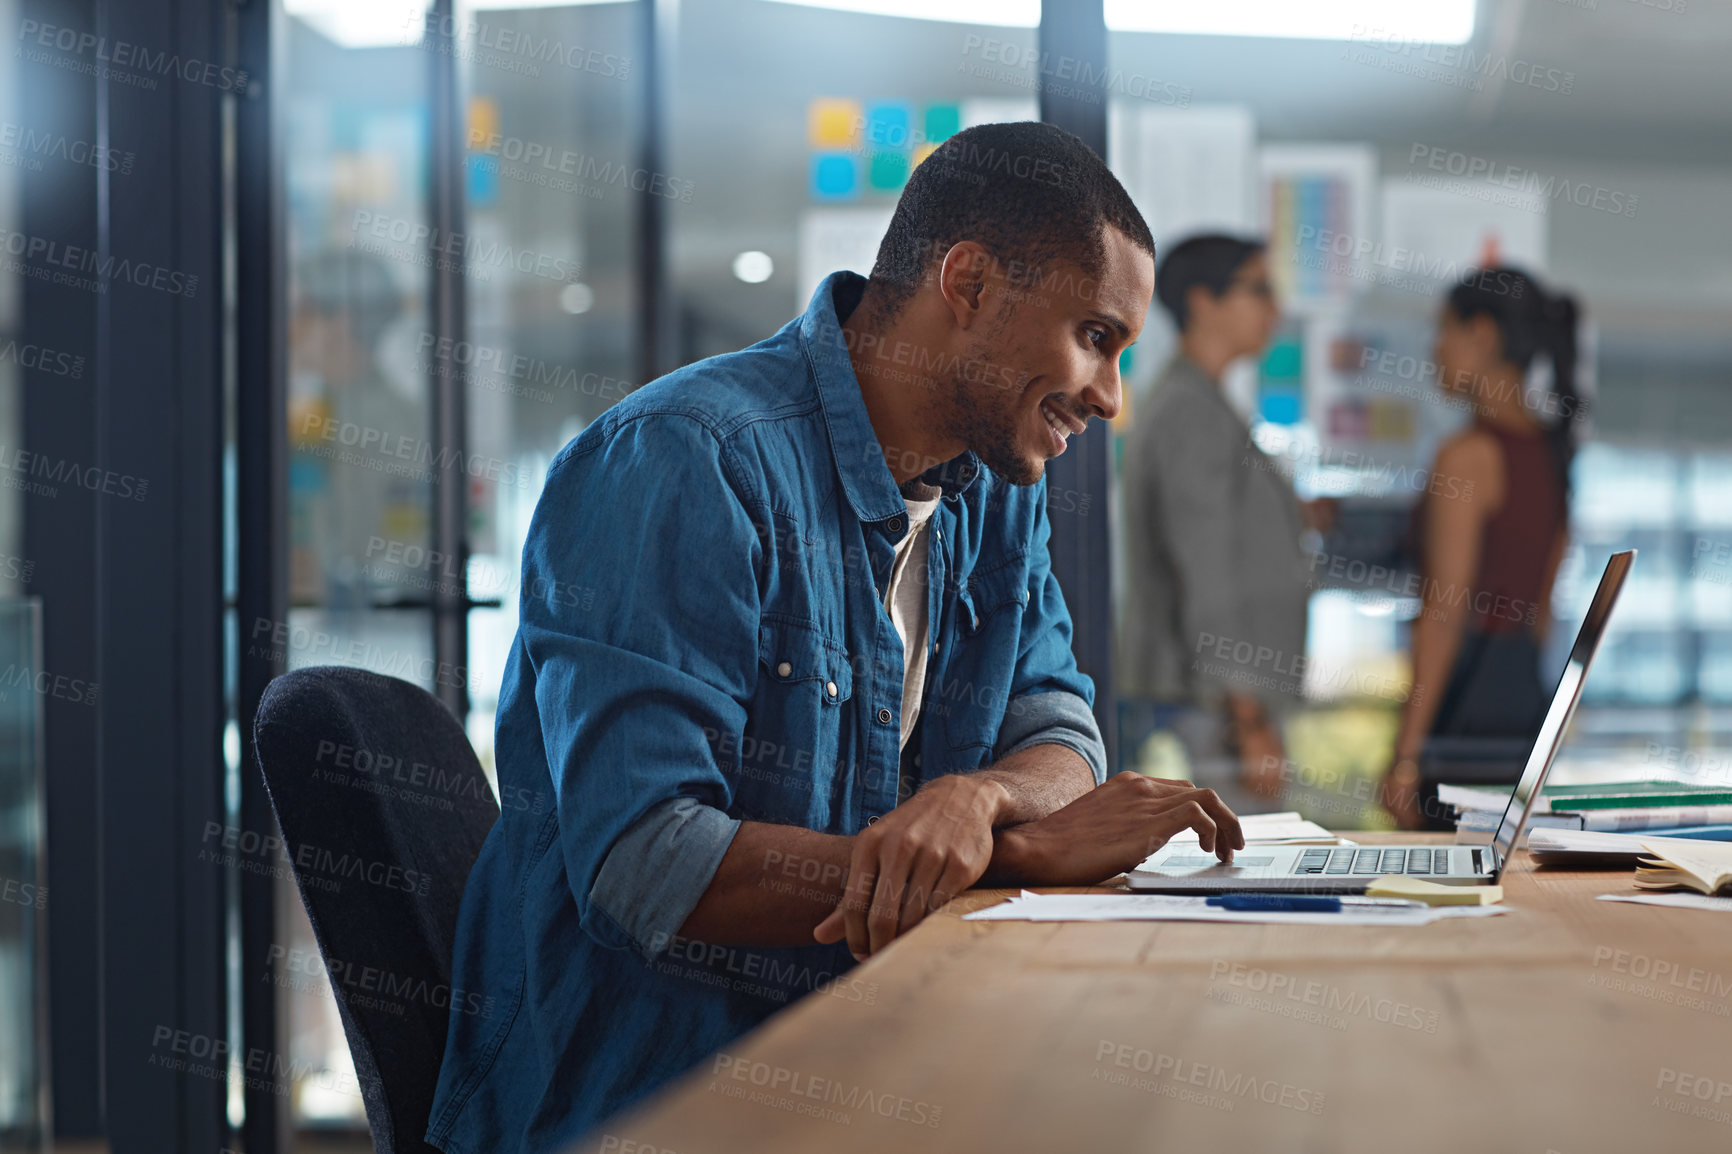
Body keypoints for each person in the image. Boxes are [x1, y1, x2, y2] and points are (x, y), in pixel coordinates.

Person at [425, 121, 1246, 1153]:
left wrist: (982, 799)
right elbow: (645, 860)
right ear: (970, 284)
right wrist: (991, 861)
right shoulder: (685, 462)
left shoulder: (993, 485)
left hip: (874, 1051)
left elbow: (1060, 726)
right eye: (1094, 337)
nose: (1110, 396)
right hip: (650, 1099)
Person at [1118, 235, 1331, 808]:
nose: (1275, 309)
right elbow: (1204, 568)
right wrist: (1248, 718)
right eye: (1258, 289)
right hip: (1216, 703)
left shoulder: (1202, 403)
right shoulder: (1191, 411)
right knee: (1245, 865)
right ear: (1202, 302)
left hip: (1219, 697)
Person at [1379, 267, 1580, 829]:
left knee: (1441, 888)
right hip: (1521, 712)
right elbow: (1541, 614)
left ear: (1483, 336)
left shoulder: (1468, 456)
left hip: (1460, 715)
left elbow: (1443, 617)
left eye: (1445, 330)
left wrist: (1406, 756)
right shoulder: (1553, 454)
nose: (1434, 349)